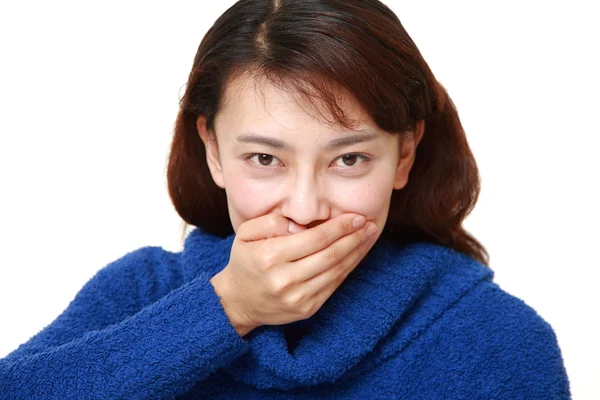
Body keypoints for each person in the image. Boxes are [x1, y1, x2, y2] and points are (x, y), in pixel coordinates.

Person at [0, 0, 571, 398]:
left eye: (349, 159)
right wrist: (226, 309)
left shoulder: (494, 338)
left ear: (404, 154)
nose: (305, 207)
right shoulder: (139, 295)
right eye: (265, 159)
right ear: (214, 152)